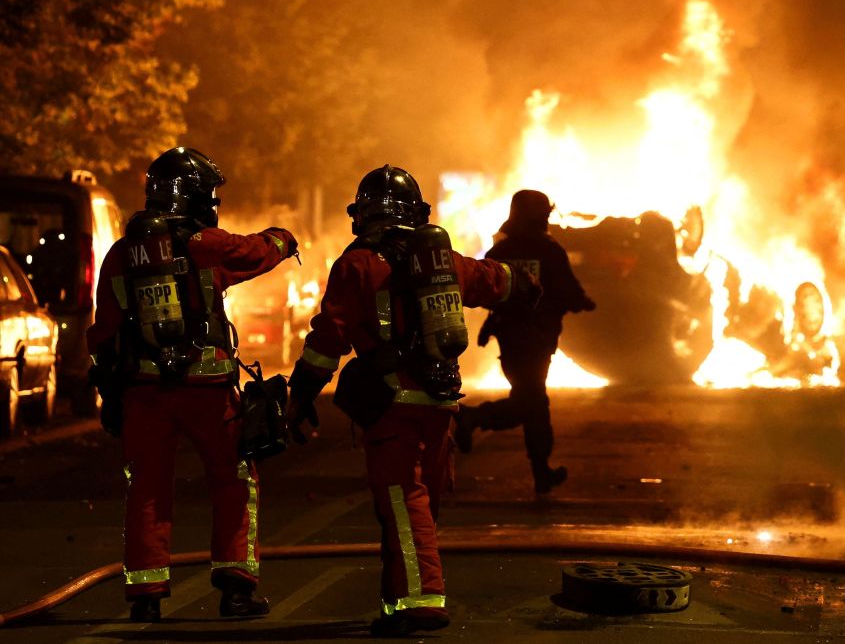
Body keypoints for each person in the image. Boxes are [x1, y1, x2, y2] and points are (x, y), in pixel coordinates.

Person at [284, 165, 535, 638]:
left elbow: (329, 339)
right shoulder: (444, 262)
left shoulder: (356, 264)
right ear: (416, 212)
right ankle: (399, 598)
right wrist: (525, 284)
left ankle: (419, 601)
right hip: (441, 401)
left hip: (393, 403)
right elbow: (493, 279)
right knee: (422, 502)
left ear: (362, 215)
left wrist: (301, 392)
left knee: (403, 501)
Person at [86, 147, 298, 622]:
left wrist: (109, 393)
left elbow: (103, 332)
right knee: (234, 481)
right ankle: (236, 589)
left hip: (143, 392)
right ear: (200, 196)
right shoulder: (207, 244)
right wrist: (284, 238)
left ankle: (145, 597)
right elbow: (258, 252)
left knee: (147, 488)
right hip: (209, 390)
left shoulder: (122, 255)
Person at [454, 189, 596, 495]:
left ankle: (541, 471)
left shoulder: (500, 253)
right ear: (540, 216)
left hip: (509, 338)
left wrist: (493, 322)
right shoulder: (550, 251)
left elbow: (483, 291)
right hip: (538, 338)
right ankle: (475, 417)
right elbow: (567, 290)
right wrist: (584, 302)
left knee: (532, 399)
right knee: (531, 402)